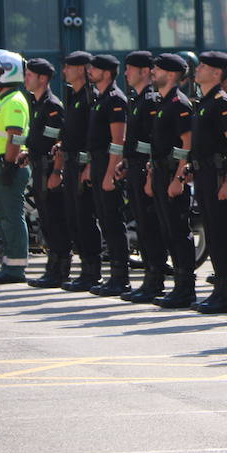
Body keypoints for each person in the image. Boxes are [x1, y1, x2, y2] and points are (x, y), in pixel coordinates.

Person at [190, 51, 227, 314]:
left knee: (221, 234)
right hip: (204, 174)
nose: (197, 69)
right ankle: (219, 290)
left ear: (217, 73)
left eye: (203, 66)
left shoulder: (222, 102)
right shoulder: (205, 101)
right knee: (211, 233)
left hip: (218, 175)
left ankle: (226, 292)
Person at [118, 51, 168, 303]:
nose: (126, 73)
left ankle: (155, 279)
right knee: (142, 225)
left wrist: (147, 173)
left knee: (150, 227)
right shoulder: (136, 100)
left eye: (130, 68)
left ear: (145, 71)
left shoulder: (150, 101)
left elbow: (152, 143)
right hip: (135, 169)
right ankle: (149, 277)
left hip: (145, 170)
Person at [147, 54, 196, 309]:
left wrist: (178, 178)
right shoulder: (163, 102)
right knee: (168, 231)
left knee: (178, 232)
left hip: (173, 174)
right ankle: (178, 286)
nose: (153, 72)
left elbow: (187, 144)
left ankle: (186, 288)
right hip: (160, 173)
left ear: (171, 74)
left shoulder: (179, 103)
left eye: (157, 69)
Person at [55, 51, 103, 292]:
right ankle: (85, 268)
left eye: (69, 67)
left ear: (83, 69)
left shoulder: (90, 97)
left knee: (85, 218)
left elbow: (95, 137)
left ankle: (93, 271)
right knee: (74, 218)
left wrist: (89, 167)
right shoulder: (73, 95)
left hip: (84, 165)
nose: (64, 71)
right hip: (71, 163)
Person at [83, 54, 131, 296]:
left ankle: (121, 277)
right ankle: (113, 276)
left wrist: (111, 171)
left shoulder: (115, 99)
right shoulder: (99, 98)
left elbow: (118, 140)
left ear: (107, 73)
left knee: (113, 221)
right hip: (99, 162)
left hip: (109, 163)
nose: (90, 71)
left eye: (95, 68)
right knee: (104, 220)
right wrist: (91, 167)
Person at [23, 58, 72, 289]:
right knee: (46, 220)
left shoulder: (52, 106)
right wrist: (28, 152)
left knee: (55, 220)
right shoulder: (37, 103)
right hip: (38, 166)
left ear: (42, 78)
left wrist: (56, 171)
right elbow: (39, 140)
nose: (26, 79)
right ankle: (52, 268)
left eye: (29, 75)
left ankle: (60, 270)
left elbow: (58, 142)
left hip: (49, 168)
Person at [0, 49, 30, 284]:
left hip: (5, 164)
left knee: (11, 217)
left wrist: (10, 166)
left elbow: (15, 135)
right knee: (2, 218)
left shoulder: (14, 100)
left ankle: (15, 269)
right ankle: (7, 263)